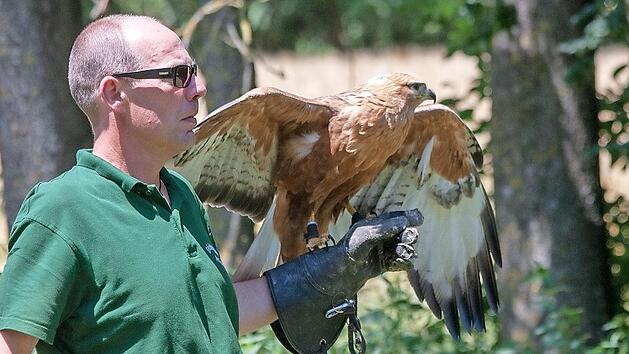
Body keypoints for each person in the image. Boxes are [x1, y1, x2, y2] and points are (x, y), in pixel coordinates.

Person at [0, 14, 421, 354]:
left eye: (195, 72)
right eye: (176, 75)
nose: (198, 88)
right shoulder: (63, 210)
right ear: (114, 93)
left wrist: (332, 270)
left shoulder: (179, 196)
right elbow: (9, 344)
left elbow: (212, 315)